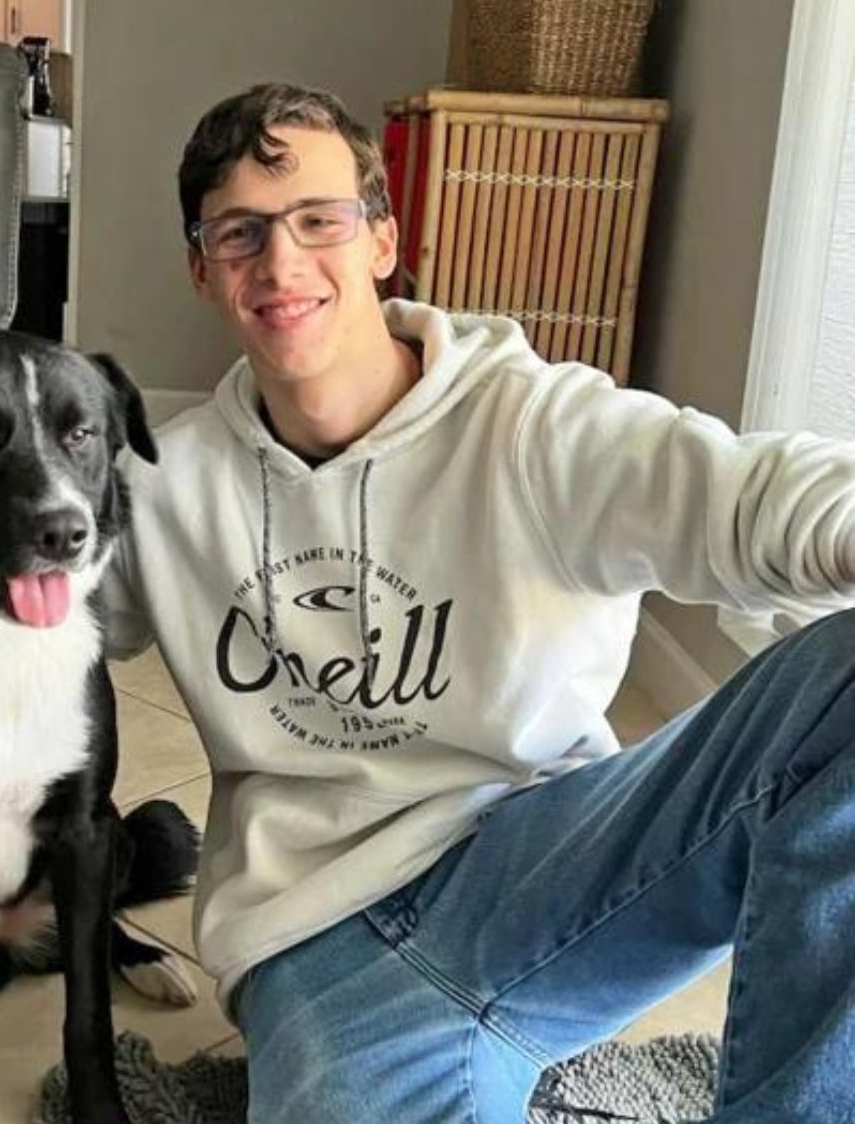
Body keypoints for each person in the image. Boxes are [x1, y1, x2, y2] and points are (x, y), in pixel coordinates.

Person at [102, 82, 855, 1124]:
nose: (281, 264)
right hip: (317, 947)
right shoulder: (157, 481)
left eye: (318, 220)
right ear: (202, 269)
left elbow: (750, 493)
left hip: (553, 872)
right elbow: (37, 633)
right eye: (241, 234)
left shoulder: (534, 425)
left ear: (379, 241)